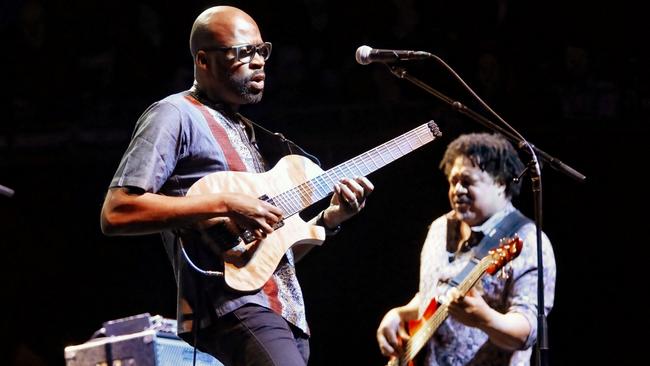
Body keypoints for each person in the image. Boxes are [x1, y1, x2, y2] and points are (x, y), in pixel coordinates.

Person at [100, 5, 373, 366]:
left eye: (262, 50)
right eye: (244, 52)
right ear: (203, 60)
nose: (259, 61)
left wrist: (329, 220)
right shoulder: (174, 114)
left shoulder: (250, 132)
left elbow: (268, 251)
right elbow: (116, 211)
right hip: (234, 308)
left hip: (286, 311)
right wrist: (226, 203)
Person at [376, 132, 556, 365]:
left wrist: (485, 319)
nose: (457, 190)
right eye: (453, 181)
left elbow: (527, 330)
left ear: (501, 183)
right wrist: (399, 314)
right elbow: (433, 292)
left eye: (468, 181)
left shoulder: (529, 241)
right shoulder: (440, 228)